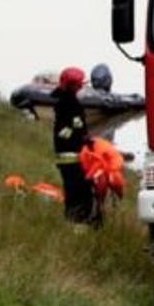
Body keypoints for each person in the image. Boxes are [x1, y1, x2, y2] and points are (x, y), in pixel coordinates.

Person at [51, 66, 95, 225]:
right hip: (73, 157)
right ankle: (80, 224)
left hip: (65, 157)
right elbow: (76, 128)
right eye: (80, 84)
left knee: (72, 191)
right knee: (81, 193)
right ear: (74, 85)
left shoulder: (60, 101)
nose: (82, 86)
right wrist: (86, 141)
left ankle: (74, 222)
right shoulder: (70, 104)